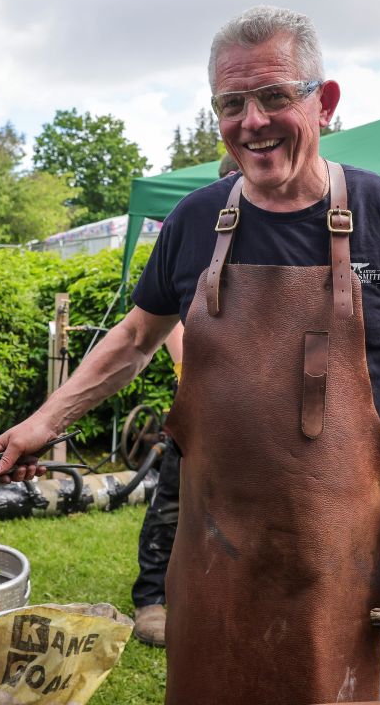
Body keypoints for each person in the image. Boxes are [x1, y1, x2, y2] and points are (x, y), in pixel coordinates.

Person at [0, 5, 380, 703]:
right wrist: (46, 421)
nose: (253, 121)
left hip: (335, 565)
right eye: (231, 103)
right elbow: (132, 339)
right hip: (211, 563)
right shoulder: (193, 222)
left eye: (275, 97)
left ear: (324, 102)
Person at [131, 153, 239, 649]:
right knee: (172, 498)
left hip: (254, 415)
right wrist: (186, 371)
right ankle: (151, 597)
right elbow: (163, 323)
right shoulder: (200, 228)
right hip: (197, 399)